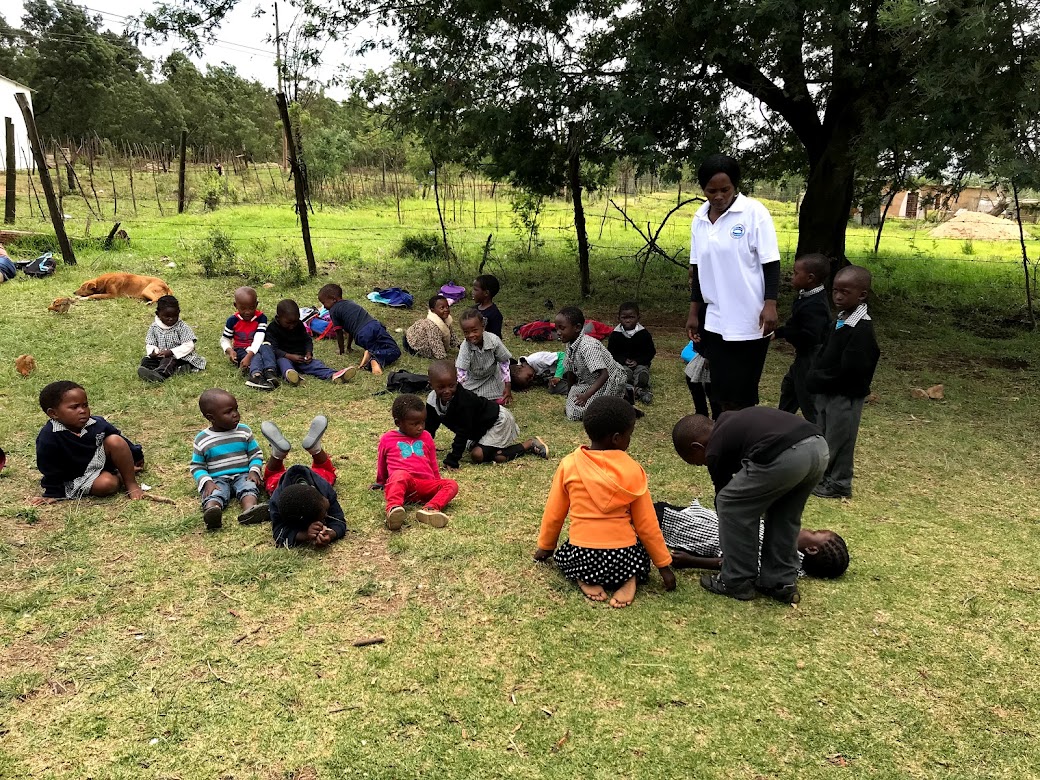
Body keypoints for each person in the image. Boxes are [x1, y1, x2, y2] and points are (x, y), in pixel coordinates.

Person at [672, 408, 827, 603]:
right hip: (818, 448)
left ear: (697, 447)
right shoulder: (731, 424)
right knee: (783, 514)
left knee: (730, 503)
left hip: (787, 454)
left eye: (697, 463)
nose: (703, 464)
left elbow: (725, 498)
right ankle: (780, 582)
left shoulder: (715, 447)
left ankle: (737, 580)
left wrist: (728, 531)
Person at [534, 396, 676, 608]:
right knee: (639, 553)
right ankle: (630, 579)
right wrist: (664, 566)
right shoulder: (633, 470)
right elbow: (646, 525)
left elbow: (554, 513)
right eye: (630, 435)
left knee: (568, 555)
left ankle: (585, 579)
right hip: (623, 559)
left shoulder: (569, 465)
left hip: (583, 557)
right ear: (617, 438)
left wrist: (545, 548)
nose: (629, 440)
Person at [685, 153, 781, 411]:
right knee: (718, 389)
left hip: (750, 319)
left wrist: (770, 304)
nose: (718, 196)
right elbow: (698, 270)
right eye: (711, 191)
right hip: (715, 319)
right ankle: (722, 430)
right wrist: (694, 313)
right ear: (703, 189)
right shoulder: (699, 219)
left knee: (743, 393)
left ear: (735, 186)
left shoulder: (754, 213)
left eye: (725, 190)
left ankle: (743, 433)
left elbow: (771, 263)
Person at [806, 265, 881, 499]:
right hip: (827, 390)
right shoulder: (840, 320)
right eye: (835, 291)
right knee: (824, 433)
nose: (838, 296)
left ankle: (840, 482)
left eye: (845, 292)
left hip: (845, 394)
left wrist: (821, 378)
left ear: (862, 295)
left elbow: (853, 369)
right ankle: (824, 477)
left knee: (841, 438)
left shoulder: (861, 328)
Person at [653, 498, 850, 578]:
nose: (807, 529)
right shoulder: (785, 542)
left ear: (811, 550)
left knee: (648, 514)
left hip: (691, 530)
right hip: (703, 519)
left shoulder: (782, 562)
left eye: (814, 532)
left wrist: (690, 561)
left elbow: (735, 564)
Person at [33, 381, 144, 504]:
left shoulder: (97, 423)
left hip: (100, 463)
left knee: (114, 440)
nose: (82, 411)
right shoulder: (49, 437)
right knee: (106, 484)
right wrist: (53, 493)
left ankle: (130, 483)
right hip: (77, 477)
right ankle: (120, 475)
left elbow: (121, 440)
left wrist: (136, 456)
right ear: (53, 413)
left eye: (85, 405)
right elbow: (49, 468)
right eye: (74, 407)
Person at [426, 360, 548, 469]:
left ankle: (529, 444)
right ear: (431, 385)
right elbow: (430, 426)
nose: (447, 391)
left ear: (457, 381)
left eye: (451, 385)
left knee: (478, 455)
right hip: (478, 429)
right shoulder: (432, 400)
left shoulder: (464, 400)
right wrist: (421, 449)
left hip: (497, 421)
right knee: (490, 454)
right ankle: (497, 450)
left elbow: (463, 431)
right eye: (441, 387)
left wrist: (453, 459)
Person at [374, 394, 459, 530]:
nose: (420, 427)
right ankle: (394, 509)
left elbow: (433, 463)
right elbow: (382, 463)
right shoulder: (387, 439)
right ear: (398, 423)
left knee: (452, 484)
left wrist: (437, 482)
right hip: (404, 486)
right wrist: (380, 482)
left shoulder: (427, 437)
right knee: (399, 475)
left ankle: (430, 509)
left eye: (423, 422)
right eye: (414, 424)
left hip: (425, 485)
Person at [260, 414, 346, 548]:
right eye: (325, 515)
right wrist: (305, 535)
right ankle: (314, 449)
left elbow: (339, 521)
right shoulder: (276, 504)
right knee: (324, 471)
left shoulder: (325, 490)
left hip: (313, 476)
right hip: (280, 484)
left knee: (274, 477)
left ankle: (278, 454)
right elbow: (278, 533)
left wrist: (332, 533)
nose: (327, 514)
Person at [191, 388, 268, 531]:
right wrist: (207, 482)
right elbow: (197, 466)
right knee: (215, 493)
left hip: (243, 474)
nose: (235, 414)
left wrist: (254, 471)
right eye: (228, 412)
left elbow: (255, 454)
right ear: (211, 418)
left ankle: (250, 510)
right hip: (217, 479)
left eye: (236, 409)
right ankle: (212, 512)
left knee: (249, 487)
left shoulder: (244, 431)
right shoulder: (202, 439)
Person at [775, 254, 831, 423]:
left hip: (811, 356)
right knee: (789, 387)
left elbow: (810, 336)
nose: (792, 277)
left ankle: (821, 432)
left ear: (810, 278)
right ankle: (780, 425)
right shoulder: (806, 296)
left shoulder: (815, 304)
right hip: (803, 356)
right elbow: (795, 322)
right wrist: (778, 333)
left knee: (808, 398)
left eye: (795, 273)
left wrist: (786, 333)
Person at [556, 306, 627, 421]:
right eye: (556, 328)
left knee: (578, 414)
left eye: (562, 328)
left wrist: (586, 396)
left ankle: (620, 404)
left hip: (610, 381)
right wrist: (569, 395)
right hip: (590, 381)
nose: (558, 332)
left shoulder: (588, 346)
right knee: (573, 407)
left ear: (577, 327)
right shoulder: (570, 345)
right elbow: (570, 372)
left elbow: (605, 374)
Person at [265, 299, 354, 386]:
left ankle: (334, 375)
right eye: (288, 323)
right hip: (284, 357)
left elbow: (307, 340)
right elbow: (273, 349)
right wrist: (289, 356)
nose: (292, 326)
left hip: (301, 357)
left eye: (295, 322)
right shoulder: (272, 329)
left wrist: (308, 352)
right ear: (278, 318)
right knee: (284, 363)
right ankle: (292, 377)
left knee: (315, 365)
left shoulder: (299, 325)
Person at [317, 283, 401, 375]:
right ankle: (373, 354)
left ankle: (372, 358)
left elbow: (339, 333)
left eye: (324, 303)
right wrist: (349, 347)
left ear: (333, 299)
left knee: (378, 350)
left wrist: (342, 351)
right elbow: (350, 331)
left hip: (362, 334)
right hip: (375, 325)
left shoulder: (333, 310)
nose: (324, 307)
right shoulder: (350, 303)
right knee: (394, 350)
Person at [220, 286, 281, 391]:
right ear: (235, 305)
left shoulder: (261, 318)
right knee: (257, 357)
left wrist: (250, 354)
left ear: (256, 305)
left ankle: (270, 372)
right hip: (241, 349)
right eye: (243, 308)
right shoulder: (232, 320)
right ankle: (255, 376)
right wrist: (230, 351)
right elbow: (225, 339)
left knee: (267, 347)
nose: (247, 312)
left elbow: (259, 337)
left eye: (251, 308)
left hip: (257, 346)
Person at [138, 295, 207, 383]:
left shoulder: (182, 327)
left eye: (174, 316)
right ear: (158, 314)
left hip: (180, 358)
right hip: (161, 356)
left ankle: (160, 375)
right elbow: (151, 343)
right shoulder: (154, 327)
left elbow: (189, 345)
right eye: (166, 316)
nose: (171, 319)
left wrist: (172, 352)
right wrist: (153, 352)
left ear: (178, 312)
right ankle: (148, 371)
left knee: (168, 361)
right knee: (146, 360)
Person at [456, 307, 512, 404]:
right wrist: (459, 393)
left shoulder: (494, 341)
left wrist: (508, 386)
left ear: (483, 326)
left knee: (500, 398)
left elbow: (504, 362)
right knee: (469, 399)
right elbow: (461, 371)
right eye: (466, 332)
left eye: (474, 330)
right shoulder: (465, 346)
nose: (471, 335)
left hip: (492, 377)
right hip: (473, 379)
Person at [607, 302, 657, 403]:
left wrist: (638, 361)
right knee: (623, 372)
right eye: (624, 318)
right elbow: (611, 353)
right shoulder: (615, 335)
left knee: (641, 370)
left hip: (640, 362)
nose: (628, 320)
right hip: (622, 364)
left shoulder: (644, 334)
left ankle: (642, 386)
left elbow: (650, 352)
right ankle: (629, 385)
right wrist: (623, 360)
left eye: (631, 317)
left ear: (638, 318)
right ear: (618, 318)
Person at [404, 294, 461, 359]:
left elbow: (452, 335)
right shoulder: (432, 326)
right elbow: (436, 344)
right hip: (412, 344)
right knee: (430, 351)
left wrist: (460, 346)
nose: (446, 310)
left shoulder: (446, 320)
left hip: (428, 340)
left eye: (447, 307)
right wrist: (444, 359)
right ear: (432, 310)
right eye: (442, 308)